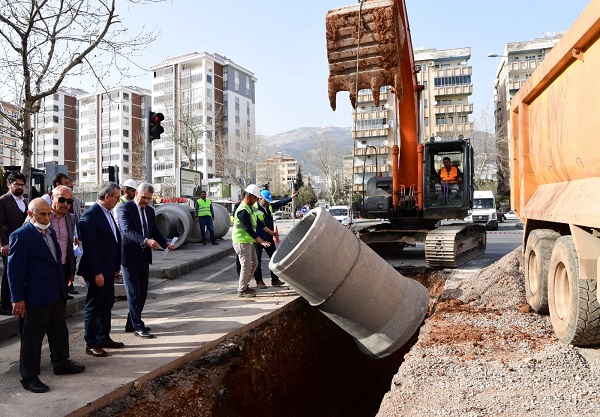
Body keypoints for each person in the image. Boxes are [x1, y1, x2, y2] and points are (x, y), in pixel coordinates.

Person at [8, 198, 85, 393]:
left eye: (48, 213)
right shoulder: (21, 236)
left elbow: (55, 261)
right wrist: (17, 299)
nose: (46, 217)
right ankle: (29, 377)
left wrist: (65, 282)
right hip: (34, 296)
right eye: (41, 214)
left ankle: (61, 363)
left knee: (59, 331)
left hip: (55, 293)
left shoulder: (50, 232)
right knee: (32, 337)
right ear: (30, 214)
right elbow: (14, 270)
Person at [118, 182, 174, 339]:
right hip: (129, 256)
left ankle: (131, 323)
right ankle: (137, 326)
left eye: (148, 199)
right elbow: (126, 230)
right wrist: (145, 241)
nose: (145, 201)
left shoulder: (149, 211)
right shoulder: (125, 208)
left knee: (142, 292)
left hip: (144, 256)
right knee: (134, 293)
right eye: (143, 197)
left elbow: (153, 230)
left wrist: (165, 242)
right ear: (136, 194)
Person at [78, 182, 123, 357]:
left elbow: (113, 240)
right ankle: (91, 342)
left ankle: (103, 336)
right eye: (117, 197)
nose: (118, 201)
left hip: (109, 269)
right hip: (97, 271)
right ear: (107, 197)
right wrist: (97, 272)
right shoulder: (90, 216)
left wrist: (115, 266)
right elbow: (90, 248)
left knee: (106, 304)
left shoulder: (108, 214)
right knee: (94, 306)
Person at [233, 184, 273, 298]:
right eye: (255, 197)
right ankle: (242, 290)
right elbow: (248, 229)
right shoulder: (242, 210)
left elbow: (259, 223)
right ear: (249, 196)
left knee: (254, 263)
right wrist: (260, 241)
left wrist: (270, 232)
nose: (256, 200)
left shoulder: (250, 208)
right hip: (241, 241)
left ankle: (245, 286)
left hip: (248, 241)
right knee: (246, 265)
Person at [253, 188, 298, 289]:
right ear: (260, 199)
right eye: (266, 201)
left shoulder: (268, 206)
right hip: (258, 239)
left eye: (269, 201)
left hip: (268, 237)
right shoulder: (254, 208)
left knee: (274, 259)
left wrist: (290, 198)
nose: (267, 203)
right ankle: (259, 281)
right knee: (257, 261)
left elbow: (279, 203)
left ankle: (275, 280)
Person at [0, 172, 28, 315]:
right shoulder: (3, 200)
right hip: (9, 244)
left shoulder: (24, 201)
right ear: (9, 184)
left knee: (19, 272)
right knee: (8, 273)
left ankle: (14, 299)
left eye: (22, 184)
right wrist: (3, 244)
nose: (19, 187)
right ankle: (4, 304)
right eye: (16, 184)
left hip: (23, 243)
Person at [49, 186, 77, 302]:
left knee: (60, 308)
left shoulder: (71, 218)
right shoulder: (41, 215)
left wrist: (70, 270)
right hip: (45, 270)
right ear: (52, 198)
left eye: (69, 201)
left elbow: (70, 246)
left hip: (63, 269)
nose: (65, 204)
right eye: (61, 200)